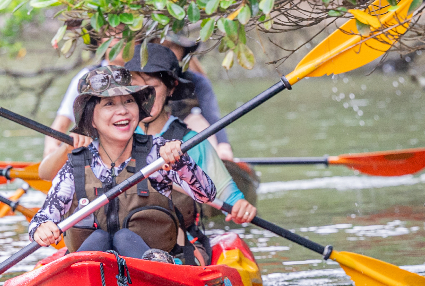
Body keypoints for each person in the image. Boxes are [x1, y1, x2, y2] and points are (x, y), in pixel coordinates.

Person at [29, 66, 218, 263]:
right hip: (90, 270)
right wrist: (41, 229)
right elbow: (42, 219)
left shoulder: (157, 153)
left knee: (123, 238)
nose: (123, 111)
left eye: (128, 101)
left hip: (157, 271)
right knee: (99, 238)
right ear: (91, 117)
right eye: (109, 104)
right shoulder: (76, 165)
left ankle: (152, 264)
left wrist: (181, 162)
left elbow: (207, 195)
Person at [125, 43, 256, 264]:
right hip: (126, 241)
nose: (143, 96)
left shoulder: (191, 141)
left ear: (171, 88)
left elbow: (227, 196)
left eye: (152, 87)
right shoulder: (116, 135)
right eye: (135, 87)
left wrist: (241, 206)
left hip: (178, 246)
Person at [161, 28, 233, 162]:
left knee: (196, 120)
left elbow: (211, 114)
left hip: (186, 138)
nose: (167, 52)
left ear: (182, 52)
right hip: (156, 137)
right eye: (163, 46)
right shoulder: (141, 80)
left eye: (172, 47)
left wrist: (223, 144)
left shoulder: (197, 81)